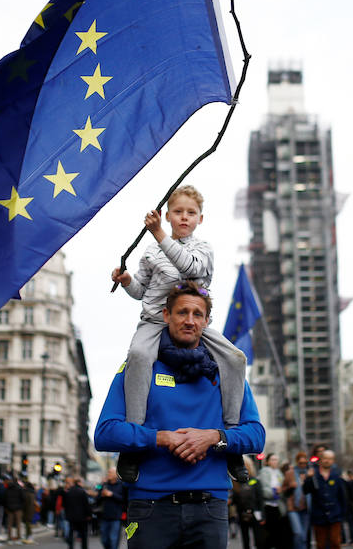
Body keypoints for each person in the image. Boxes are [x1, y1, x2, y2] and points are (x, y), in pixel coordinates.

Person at [95, 280, 266, 549]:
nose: (190, 320)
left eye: (197, 314)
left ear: (207, 321)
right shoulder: (138, 367)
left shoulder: (228, 373)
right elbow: (104, 433)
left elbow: (256, 435)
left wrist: (214, 437)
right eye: (182, 312)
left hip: (210, 508)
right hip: (150, 508)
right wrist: (160, 438)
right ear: (166, 315)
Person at [110, 186, 249, 484]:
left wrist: (159, 234)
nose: (184, 217)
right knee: (137, 356)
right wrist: (126, 281)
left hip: (191, 318)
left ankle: (232, 438)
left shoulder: (203, 249)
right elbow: (141, 292)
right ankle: (134, 442)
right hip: (154, 321)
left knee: (236, 358)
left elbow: (189, 268)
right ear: (168, 215)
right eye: (178, 212)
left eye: (191, 212)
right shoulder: (150, 251)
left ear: (200, 218)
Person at [302, 449, 349, 549]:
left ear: (333, 461)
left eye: (330, 459)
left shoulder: (336, 476)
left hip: (335, 514)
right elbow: (306, 491)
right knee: (321, 544)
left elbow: (342, 496)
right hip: (319, 515)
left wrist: (343, 513)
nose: (327, 461)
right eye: (325, 458)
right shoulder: (314, 476)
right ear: (321, 460)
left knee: (335, 542)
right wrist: (308, 478)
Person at [232, 458, 265, 549]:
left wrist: (262, 515)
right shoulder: (236, 483)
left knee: (259, 539)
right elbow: (235, 499)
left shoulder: (255, 481)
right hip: (242, 513)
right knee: (245, 540)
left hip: (255, 513)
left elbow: (260, 499)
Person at [259, 453, 290, 548]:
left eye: (276, 459)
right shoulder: (264, 472)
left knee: (279, 533)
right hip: (268, 506)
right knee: (270, 533)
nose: (275, 461)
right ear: (267, 461)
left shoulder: (279, 473)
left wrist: (281, 491)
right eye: (272, 459)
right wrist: (275, 492)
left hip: (279, 506)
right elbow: (264, 490)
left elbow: (283, 487)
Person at [283, 452, 310, 549]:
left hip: (306, 507)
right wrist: (290, 487)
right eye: (300, 463)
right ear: (297, 462)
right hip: (293, 507)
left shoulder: (309, 473)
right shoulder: (290, 473)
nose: (303, 465)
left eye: (304, 463)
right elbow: (283, 489)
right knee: (298, 533)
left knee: (304, 536)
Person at [96, 468, 124, 549]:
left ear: (116, 474)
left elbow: (124, 499)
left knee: (113, 539)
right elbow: (97, 499)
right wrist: (101, 495)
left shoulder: (121, 485)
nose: (108, 474)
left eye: (110, 472)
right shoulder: (104, 485)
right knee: (104, 539)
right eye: (108, 472)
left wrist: (111, 494)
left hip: (116, 517)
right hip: (104, 516)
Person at [62, 476, 91, 549]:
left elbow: (65, 504)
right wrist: (89, 515)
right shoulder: (82, 491)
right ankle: (84, 547)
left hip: (71, 516)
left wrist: (67, 514)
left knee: (71, 532)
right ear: (79, 483)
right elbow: (86, 504)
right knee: (83, 534)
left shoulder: (69, 492)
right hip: (82, 517)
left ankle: (70, 546)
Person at [3, 476, 25, 541]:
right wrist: (21, 506)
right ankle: (18, 536)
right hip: (18, 508)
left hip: (9, 508)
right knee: (18, 523)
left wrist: (6, 507)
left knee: (9, 523)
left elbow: (5, 499)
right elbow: (23, 498)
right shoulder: (19, 488)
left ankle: (9, 536)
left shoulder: (8, 489)